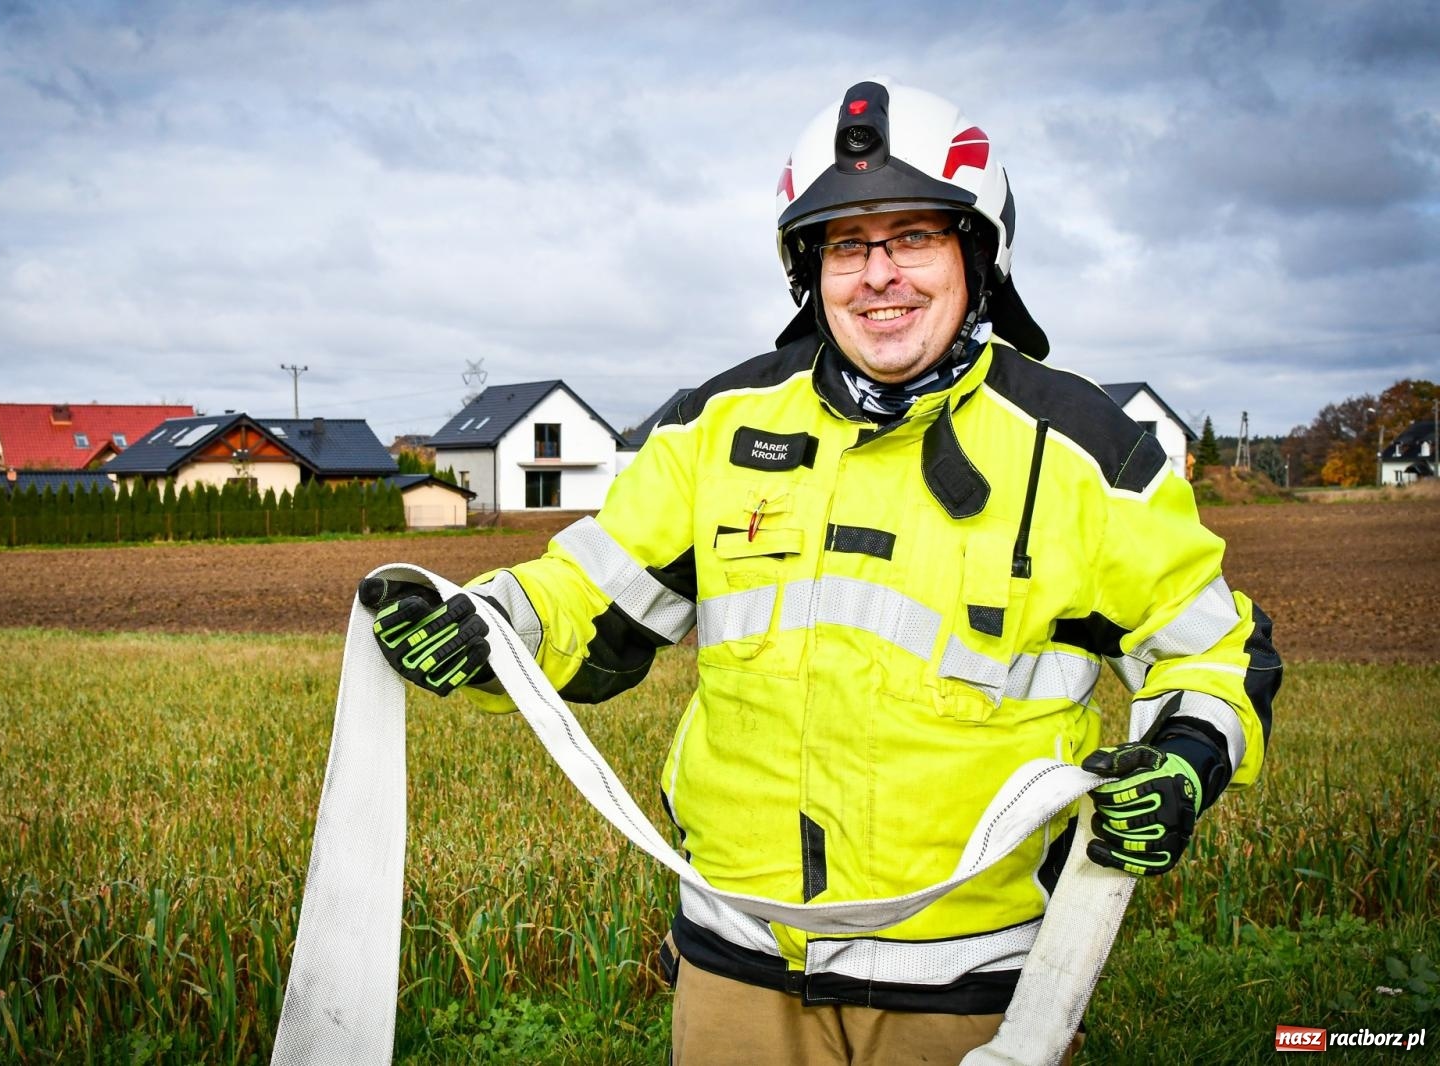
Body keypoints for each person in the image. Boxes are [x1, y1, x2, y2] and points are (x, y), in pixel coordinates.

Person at [358, 77, 1282, 1066]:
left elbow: (1215, 656)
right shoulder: (714, 427)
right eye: (846, 245)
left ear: (979, 256)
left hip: (970, 985)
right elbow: (587, 595)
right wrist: (485, 623)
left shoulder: (1080, 449)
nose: (878, 274)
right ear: (810, 273)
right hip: (738, 968)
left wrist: (1181, 765)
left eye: (913, 238)